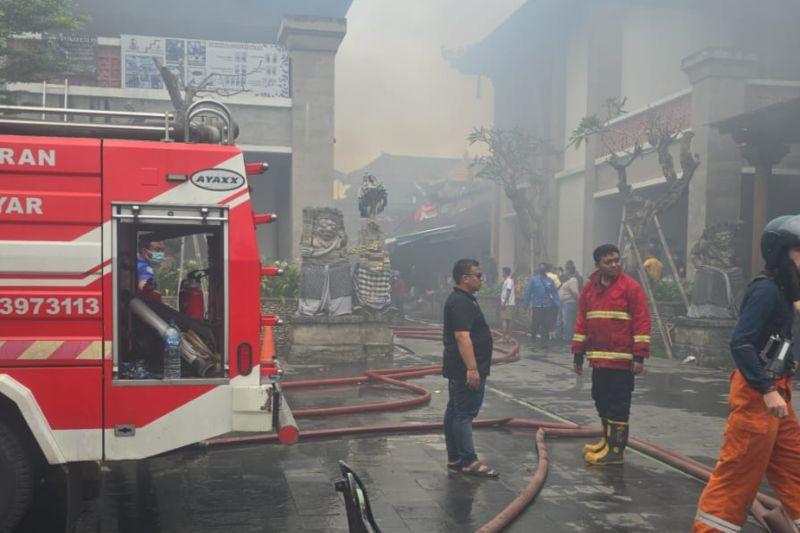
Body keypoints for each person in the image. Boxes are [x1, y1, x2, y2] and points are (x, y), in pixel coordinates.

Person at [693, 215, 800, 533]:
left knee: (794, 464)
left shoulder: (784, 293)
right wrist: (766, 389)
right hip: (758, 394)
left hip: (778, 391)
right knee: (738, 474)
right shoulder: (765, 291)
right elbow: (741, 343)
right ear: (782, 253)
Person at [573, 244, 651, 465]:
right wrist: (578, 354)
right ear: (598, 265)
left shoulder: (631, 288)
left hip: (622, 360)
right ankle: (607, 441)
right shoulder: (590, 288)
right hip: (598, 359)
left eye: (617, 260)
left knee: (618, 404)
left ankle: (616, 451)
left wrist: (639, 357)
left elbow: (642, 322)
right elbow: (582, 321)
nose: (615, 264)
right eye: (609, 261)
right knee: (601, 399)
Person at [442, 258, 498, 478]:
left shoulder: (464, 299)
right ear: (465, 278)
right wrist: (472, 369)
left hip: (458, 367)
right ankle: (468, 460)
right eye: (478, 275)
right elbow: (462, 336)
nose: (481, 279)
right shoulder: (461, 302)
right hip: (465, 369)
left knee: (455, 410)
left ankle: (454, 456)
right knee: (464, 413)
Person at [523, 263, 561, 348]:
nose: (542, 269)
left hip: (547, 306)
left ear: (546, 270)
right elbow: (528, 292)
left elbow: (554, 293)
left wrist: (558, 304)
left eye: (543, 268)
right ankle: (533, 338)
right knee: (535, 323)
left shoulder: (550, 281)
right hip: (537, 306)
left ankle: (544, 341)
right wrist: (525, 303)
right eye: (541, 268)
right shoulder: (534, 280)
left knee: (546, 323)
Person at [558, 266, 581, 342]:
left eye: (566, 270)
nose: (564, 272)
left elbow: (575, 292)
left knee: (568, 322)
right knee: (567, 321)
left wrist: (578, 301)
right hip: (566, 303)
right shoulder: (568, 280)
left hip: (569, 303)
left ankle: (569, 339)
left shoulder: (573, 280)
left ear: (569, 271)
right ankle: (567, 337)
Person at [499, 267, 515, 343]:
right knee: (508, 320)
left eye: (503, 272)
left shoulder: (508, 281)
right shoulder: (509, 281)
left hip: (507, 303)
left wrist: (504, 303)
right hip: (509, 303)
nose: (502, 274)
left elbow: (508, 292)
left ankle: (504, 338)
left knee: (504, 320)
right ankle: (508, 337)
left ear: (505, 272)